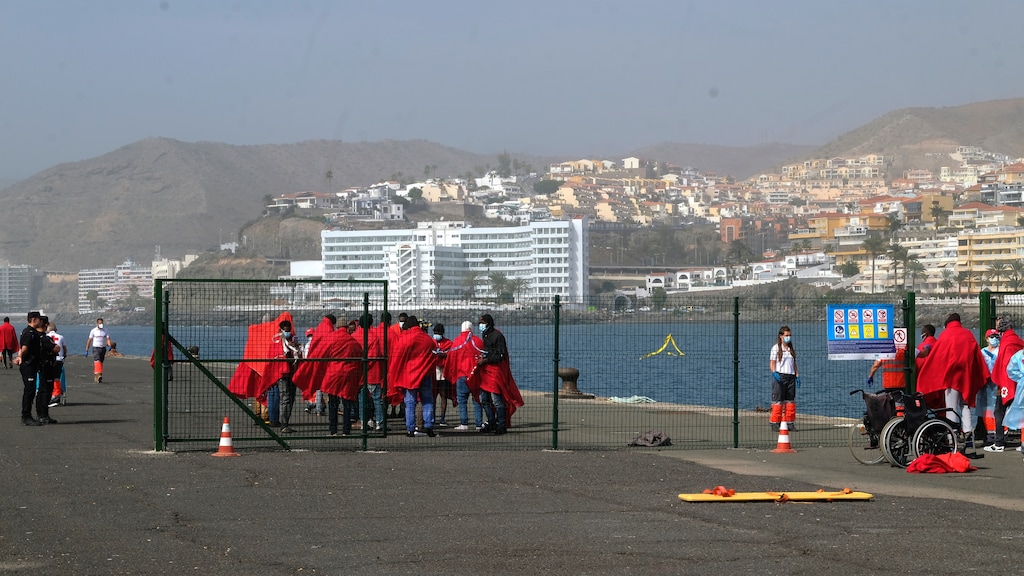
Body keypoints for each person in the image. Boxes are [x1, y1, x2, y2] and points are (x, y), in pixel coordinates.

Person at [916, 313, 988, 444]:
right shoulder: (968, 334)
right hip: (966, 378)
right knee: (965, 406)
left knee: (951, 408)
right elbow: (977, 357)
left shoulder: (945, 335)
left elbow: (937, 358)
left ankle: (952, 439)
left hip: (950, 379)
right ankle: (968, 436)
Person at [471, 314, 524, 435]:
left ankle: (501, 424)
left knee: (496, 400)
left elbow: (501, 354)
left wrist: (486, 360)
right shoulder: (485, 335)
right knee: (484, 399)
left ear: (488, 323)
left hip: (495, 370)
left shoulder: (498, 336)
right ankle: (491, 421)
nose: (480, 325)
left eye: (482, 322)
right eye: (480, 323)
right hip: (485, 371)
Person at [386, 314, 437, 437]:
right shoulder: (427, 339)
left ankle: (410, 429)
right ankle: (429, 426)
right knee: (427, 400)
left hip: (409, 375)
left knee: (410, 402)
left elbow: (397, 357)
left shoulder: (405, 338)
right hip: (425, 373)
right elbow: (434, 352)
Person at [14, 311, 59, 425]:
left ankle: (35, 415)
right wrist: (20, 357)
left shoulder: (34, 333)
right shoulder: (29, 332)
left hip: (34, 364)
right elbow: (24, 347)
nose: (41, 321)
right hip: (28, 364)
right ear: (34, 320)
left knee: (33, 390)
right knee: (29, 391)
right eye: (39, 319)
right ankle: (26, 416)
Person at [989, 317, 1024, 452]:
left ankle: (999, 442)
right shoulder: (1018, 342)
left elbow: (1004, 365)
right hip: (1020, 382)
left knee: (999, 411)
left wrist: (1001, 382)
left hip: (1007, 382)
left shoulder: (1006, 344)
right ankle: (1022, 443)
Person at [266, 319, 302, 433]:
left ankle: (285, 422)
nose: (288, 332)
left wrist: (296, 348)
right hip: (282, 374)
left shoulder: (294, 341)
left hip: (292, 373)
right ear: (281, 330)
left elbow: (299, 354)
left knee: (290, 398)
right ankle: (284, 424)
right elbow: (273, 357)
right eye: (286, 330)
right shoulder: (276, 342)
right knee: (285, 397)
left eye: (289, 330)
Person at [449, 321, 484, 431]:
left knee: (462, 400)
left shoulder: (457, 341)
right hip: (475, 375)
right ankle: (479, 424)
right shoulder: (478, 341)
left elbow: (451, 358)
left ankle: (464, 423)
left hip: (461, 374)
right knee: (477, 400)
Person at [768, 325, 799, 432]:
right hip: (780, 376)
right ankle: (775, 422)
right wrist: (774, 372)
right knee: (778, 401)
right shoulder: (776, 348)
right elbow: (772, 363)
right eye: (786, 335)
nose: (788, 337)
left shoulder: (790, 349)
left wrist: (797, 375)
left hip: (790, 376)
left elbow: (793, 363)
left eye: (789, 335)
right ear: (781, 336)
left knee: (790, 401)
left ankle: (789, 423)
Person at [977, 328, 1000, 446]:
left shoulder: (1000, 351)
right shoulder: (982, 352)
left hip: (997, 384)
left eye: (996, 337)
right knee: (986, 410)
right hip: (985, 385)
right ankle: (990, 435)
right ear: (986, 339)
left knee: (998, 410)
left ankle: (999, 434)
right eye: (992, 337)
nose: (994, 339)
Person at [431, 323, 453, 427]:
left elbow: (451, 354)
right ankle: (432, 418)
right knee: (432, 396)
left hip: (444, 373)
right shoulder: (431, 342)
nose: (437, 335)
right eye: (435, 333)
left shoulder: (449, 343)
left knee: (443, 395)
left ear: (442, 334)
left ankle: (442, 418)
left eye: (439, 333)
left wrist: (443, 354)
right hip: (434, 372)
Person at [46, 322, 68, 408]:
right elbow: (64, 348)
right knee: (57, 378)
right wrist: (64, 355)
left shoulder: (46, 337)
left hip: (49, 360)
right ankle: (57, 394)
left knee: (49, 378)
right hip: (59, 360)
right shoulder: (61, 337)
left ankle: (53, 395)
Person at [85, 318, 112, 383]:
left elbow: (108, 339)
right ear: (97, 323)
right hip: (96, 348)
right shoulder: (93, 331)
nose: (101, 324)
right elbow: (89, 340)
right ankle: (98, 375)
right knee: (97, 360)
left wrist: (109, 345)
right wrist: (86, 349)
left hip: (103, 348)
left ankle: (97, 376)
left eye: (102, 323)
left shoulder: (105, 330)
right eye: (100, 323)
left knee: (101, 362)